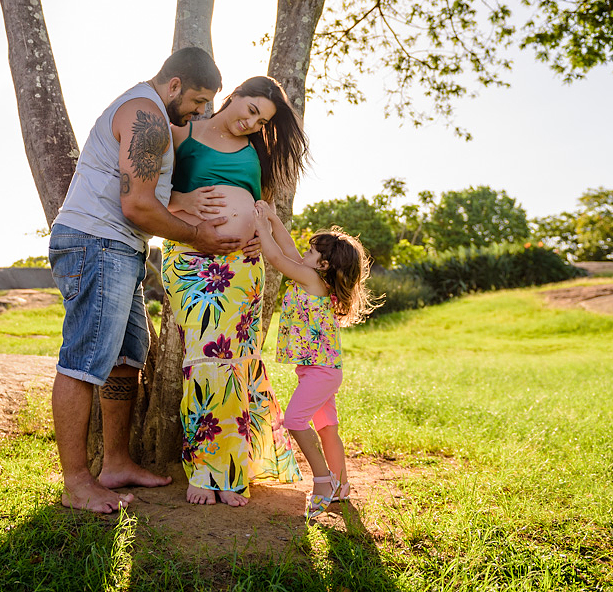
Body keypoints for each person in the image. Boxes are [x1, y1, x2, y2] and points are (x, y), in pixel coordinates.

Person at [48, 46, 245, 514]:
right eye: (198, 101)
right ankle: (76, 482)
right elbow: (136, 205)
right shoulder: (147, 116)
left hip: (122, 248)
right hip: (97, 242)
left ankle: (115, 463)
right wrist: (200, 236)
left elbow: (144, 192)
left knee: (126, 355)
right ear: (174, 84)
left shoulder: (153, 117)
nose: (200, 111)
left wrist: (179, 198)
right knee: (85, 358)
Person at [164, 75, 309, 506]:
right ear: (234, 96)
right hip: (191, 261)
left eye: (261, 120)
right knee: (206, 357)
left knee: (238, 362)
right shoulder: (181, 133)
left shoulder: (256, 152)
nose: (251, 123)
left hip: (244, 268)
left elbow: (260, 204)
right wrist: (183, 200)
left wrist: (258, 231)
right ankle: (207, 466)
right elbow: (147, 193)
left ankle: (233, 469)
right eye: (250, 110)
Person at [252, 210, 376, 519]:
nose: (304, 254)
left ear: (322, 265)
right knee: (326, 428)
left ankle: (323, 481)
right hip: (322, 371)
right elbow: (290, 252)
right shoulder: (315, 276)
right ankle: (342, 487)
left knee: (294, 421)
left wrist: (259, 226)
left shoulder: (311, 279)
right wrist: (274, 221)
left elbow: (278, 258)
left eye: (311, 252)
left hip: (320, 374)